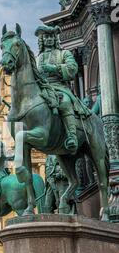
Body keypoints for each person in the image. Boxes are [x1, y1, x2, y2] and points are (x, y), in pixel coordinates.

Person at [35, 25, 91, 155]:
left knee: (64, 102)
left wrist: (53, 68)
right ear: (42, 40)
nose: (49, 39)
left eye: (51, 37)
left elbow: (72, 68)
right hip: (42, 88)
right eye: (46, 37)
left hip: (60, 87)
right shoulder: (37, 59)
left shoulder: (64, 53)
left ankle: (72, 136)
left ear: (55, 39)